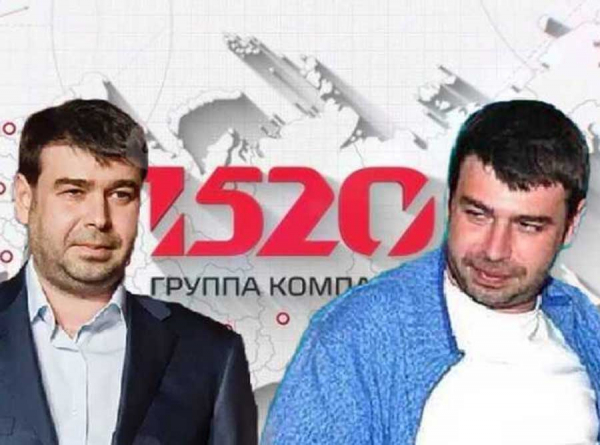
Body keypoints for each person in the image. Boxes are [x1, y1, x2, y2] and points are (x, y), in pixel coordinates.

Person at [262, 100, 600, 444]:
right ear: (450, 201)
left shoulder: (587, 330)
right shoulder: (357, 337)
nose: (494, 250)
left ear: (571, 224)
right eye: (477, 215)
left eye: (527, 225)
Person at [0, 99, 257, 445]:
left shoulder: (211, 355)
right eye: (74, 192)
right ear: (24, 199)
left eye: (120, 194)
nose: (99, 218)